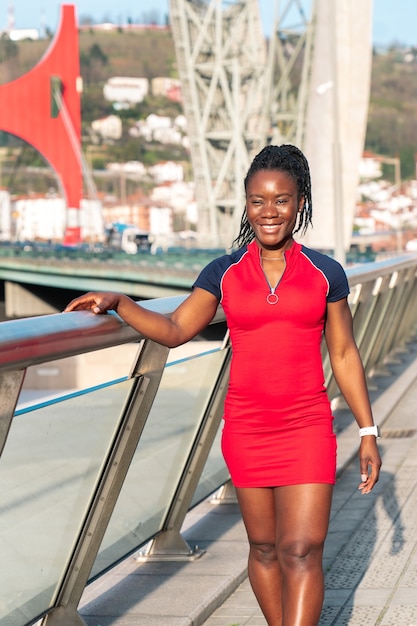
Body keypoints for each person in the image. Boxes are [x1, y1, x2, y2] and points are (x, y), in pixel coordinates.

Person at [64, 144, 381, 626]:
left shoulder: (325, 273)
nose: (269, 211)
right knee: (265, 548)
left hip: (307, 425)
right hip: (248, 428)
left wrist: (367, 432)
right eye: (258, 200)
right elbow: (174, 330)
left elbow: (343, 354)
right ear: (246, 205)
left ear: (300, 202)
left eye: (281, 199)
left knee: (301, 548)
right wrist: (122, 302)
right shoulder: (223, 272)